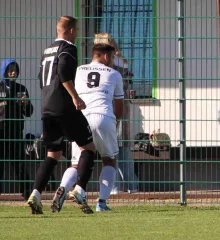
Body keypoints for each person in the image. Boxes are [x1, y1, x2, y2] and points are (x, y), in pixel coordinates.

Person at [27, 15, 97, 215]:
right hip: (64, 107)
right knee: (89, 148)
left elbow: (42, 80)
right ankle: (80, 190)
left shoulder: (47, 50)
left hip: (47, 107)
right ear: (72, 31)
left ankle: (36, 194)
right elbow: (64, 73)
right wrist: (75, 98)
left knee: (53, 154)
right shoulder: (68, 49)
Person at [53, 43, 124, 212]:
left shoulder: (79, 70)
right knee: (109, 160)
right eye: (113, 57)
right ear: (106, 57)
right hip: (104, 117)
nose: (113, 61)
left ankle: (63, 187)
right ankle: (101, 203)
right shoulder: (114, 74)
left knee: (77, 163)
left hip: (81, 117)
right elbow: (120, 108)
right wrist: (113, 123)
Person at [94, 33, 138, 194]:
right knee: (122, 148)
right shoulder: (121, 62)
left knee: (115, 148)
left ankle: (115, 187)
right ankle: (131, 186)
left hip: (113, 107)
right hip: (118, 107)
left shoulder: (113, 64)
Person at [0, 59, 34, 199]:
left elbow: (29, 112)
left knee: (19, 164)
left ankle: (27, 193)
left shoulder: (21, 89)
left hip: (15, 132)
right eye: (10, 69)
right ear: (4, 71)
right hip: (1, 133)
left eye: (15, 69)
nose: (13, 72)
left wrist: (25, 103)